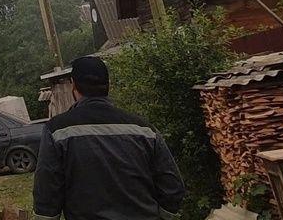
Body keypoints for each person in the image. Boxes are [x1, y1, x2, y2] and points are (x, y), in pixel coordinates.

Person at [33, 56, 186, 220]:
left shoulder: (57, 130)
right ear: (109, 85)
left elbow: (47, 194)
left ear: (74, 86)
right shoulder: (144, 129)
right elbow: (172, 186)